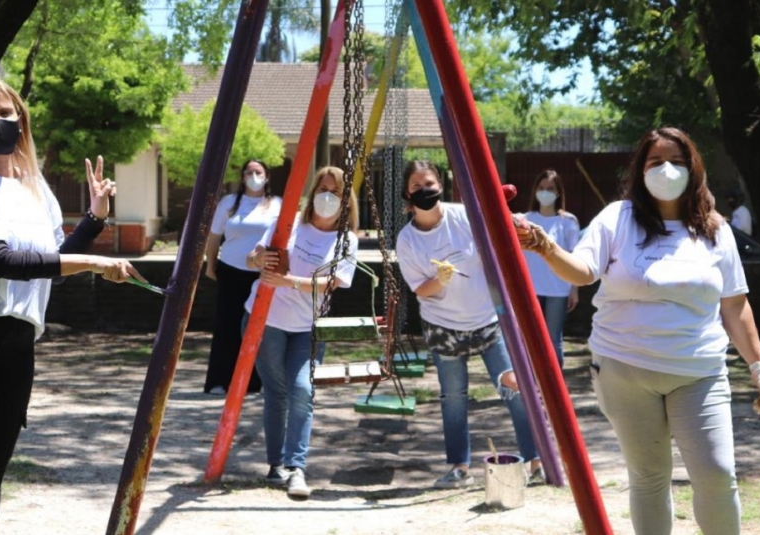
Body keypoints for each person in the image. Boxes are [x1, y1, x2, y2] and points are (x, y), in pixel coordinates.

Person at [517, 127, 760, 535]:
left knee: (716, 473)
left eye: (676, 161)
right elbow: (584, 272)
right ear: (640, 170)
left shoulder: (715, 229)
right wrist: (546, 246)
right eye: (656, 162)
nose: (666, 170)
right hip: (624, 369)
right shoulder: (616, 218)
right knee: (650, 477)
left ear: (693, 169)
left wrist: (759, 365)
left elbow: (734, 303)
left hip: (699, 372)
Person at [0, 76, 145, 535]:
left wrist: (95, 218)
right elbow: (1, 261)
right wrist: (95, 262)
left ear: (21, 118)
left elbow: (53, 254)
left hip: (16, 342)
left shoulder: (34, 186)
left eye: (5, 113)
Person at [395, 160, 541, 488]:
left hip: (488, 320)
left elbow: (499, 225)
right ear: (407, 193)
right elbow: (420, 289)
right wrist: (439, 279)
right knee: (454, 397)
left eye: (429, 183)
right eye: (417, 186)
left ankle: (535, 460)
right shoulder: (407, 240)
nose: (424, 190)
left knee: (515, 387)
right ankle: (459, 467)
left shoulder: (462, 216)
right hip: (443, 327)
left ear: (441, 185)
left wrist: (514, 221)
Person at [243, 166, 359, 500]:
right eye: (322, 188)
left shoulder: (345, 240)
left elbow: (332, 284)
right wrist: (259, 258)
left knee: (302, 390)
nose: (327, 196)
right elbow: (253, 257)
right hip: (266, 319)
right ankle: (276, 464)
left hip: (307, 328)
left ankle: (297, 468)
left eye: (335, 192)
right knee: (276, 391)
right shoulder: (290, 222)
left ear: (345, 199)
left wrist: (288, 281)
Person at [202, 159, 282, 395]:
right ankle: (220, 381)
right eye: (248, 172)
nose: (253, 175)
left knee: (260, 329)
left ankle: (256, 383)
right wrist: (211, 263)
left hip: (263, 275)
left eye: (258, 172)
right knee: (227, 325)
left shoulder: (277, 205)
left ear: (267, 176)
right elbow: (214, 237)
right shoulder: (228, 203)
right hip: (230, 271)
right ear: (242, 176)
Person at [522, 169, 580, 367]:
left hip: (559, 289)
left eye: (550, 188)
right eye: (541, 188)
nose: (545, 192)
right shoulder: (524, 219)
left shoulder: (568, 221)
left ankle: (555, 391)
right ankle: (533, 386)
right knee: (530, 339)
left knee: (553, 339)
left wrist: (574, 289)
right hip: (530, 289)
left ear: (558, 193)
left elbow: (575, 257)